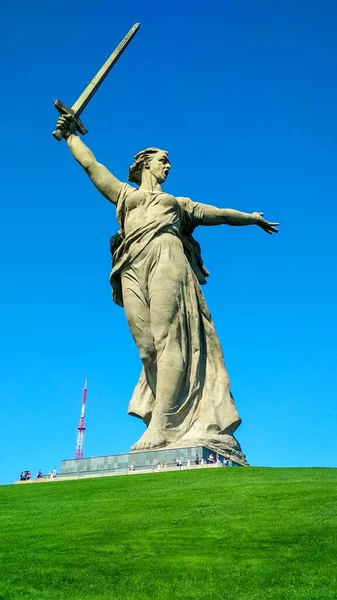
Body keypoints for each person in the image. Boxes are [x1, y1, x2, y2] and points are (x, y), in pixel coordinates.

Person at [55, 115, 278, 455]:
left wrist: (250, 218)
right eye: (163, 160)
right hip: (130, 265)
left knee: (168, 337)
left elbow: (217, 213)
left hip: (167, 257)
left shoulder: (177, 204)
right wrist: (71, 135)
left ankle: (161, 426)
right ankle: (170, 416)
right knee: (146, 348)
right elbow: (91, 166)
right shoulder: (125, 197)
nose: (168, 166)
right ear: (144, 163)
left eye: (169, 162)